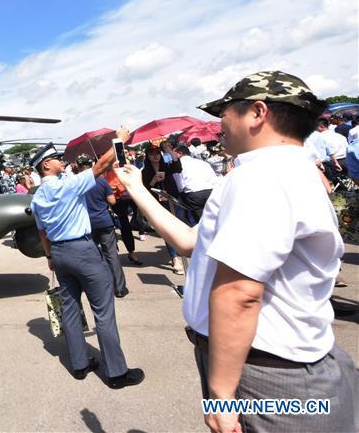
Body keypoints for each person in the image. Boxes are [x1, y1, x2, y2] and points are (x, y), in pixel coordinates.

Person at [115, 71, 357, 433]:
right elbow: (189, 241)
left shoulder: (261, 178)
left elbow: (239, 293)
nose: (220, 123)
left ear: (257, 113)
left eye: (225, 112)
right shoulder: (282, 171)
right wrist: (138, 188)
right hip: (278, 370)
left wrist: (222, 396)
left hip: (268, 380)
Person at [30, 131, 144, 389]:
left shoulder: (37, 197)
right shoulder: (67, 185)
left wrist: (49, 256)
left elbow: (41, 232)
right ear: (46, 165)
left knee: (70, 310)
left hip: (59, 254)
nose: (61, 160)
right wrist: (120, 140)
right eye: (56, 158)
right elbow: (102, 165)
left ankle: (80, 365)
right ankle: (116, 372)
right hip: (82, 250)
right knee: (103, 311)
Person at [78, 154, 128, 298]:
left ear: (78, 165)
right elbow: (112, 201)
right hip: (104, 221)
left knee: (90, 257)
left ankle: (95, 287)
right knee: (112, 255)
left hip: (86, 224)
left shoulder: (78, 182)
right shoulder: (102, 181)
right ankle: (119, 288)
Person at [142, 144, 185, 274]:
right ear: (147, 157)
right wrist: (154, 180)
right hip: (159, 203)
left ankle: (183, 250)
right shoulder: (146, 171)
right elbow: (145, 188)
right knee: (167, 230)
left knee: (180, 226)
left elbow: (178, 167)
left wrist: (169, 151)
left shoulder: (166, 166)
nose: (155, 156)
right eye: (151, 154)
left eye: (157, 153)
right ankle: (174, 258)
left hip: (173, 199)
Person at [168, 144, 219, 222]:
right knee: (215, 217)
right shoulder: (202, 162)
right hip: (211, 192)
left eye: (173, 154)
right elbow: (214, 179)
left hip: (194, 195)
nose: (172, 157)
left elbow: (180, 186)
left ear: (179, 153)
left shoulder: (179, 165)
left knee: (202, 221)